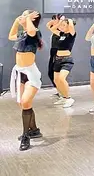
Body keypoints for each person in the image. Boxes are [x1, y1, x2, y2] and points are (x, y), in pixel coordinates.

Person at [8, 10, 44, 151]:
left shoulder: (35, 32)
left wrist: (27, 18)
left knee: (25, 101)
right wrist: (17, 21)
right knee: (23, 104)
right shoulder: (22, 34)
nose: (22, 17)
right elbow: (11, 36)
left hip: (30, 73)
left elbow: (31, 31)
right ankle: (34, 129)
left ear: (31, 19)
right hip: (20, 72)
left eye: (25, 15)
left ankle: (25, 136)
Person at [47, 15, 77, 108]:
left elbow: (71, 27)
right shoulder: (61, 34)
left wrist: (69, 20)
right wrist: (60, 22)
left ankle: (68, 98)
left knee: (61, 78)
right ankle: (63, 97)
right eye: (62, 25)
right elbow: (52, 29)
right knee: (56, 80)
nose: (62, 27)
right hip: (57, 59)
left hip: (66, 60)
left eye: (64, 25)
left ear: (68, 26)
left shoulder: (71, 35)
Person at [46, 15, 61, 101]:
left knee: (56, 74)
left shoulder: (61, 31)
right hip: (53, 52)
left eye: (54, 19)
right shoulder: (54, 29)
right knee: (50, 73)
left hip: (57, 52)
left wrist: (59, 22)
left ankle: (62, 92)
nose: (52, 21)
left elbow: (50, 27)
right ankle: (59, 90)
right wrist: (54, 21)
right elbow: (48, 25)